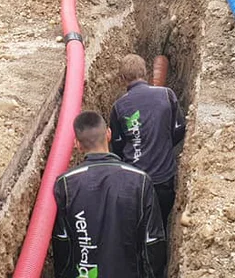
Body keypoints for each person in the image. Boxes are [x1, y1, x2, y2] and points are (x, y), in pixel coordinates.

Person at [51, 110, 168, 278]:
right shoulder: (140, 180)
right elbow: (152, 241)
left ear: (77, 144)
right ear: (109, 134)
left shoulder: (65, 184)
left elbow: (63, 243)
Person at [109, 53, 186, 228]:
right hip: (163, 179)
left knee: (136, 228)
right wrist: (164, 145)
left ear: (122, 79)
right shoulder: (167, 94)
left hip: (134, 182)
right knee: (160, 225)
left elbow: (117, 146)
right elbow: (179, 129)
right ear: (146, 73)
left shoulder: (119, 107)